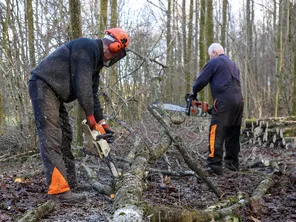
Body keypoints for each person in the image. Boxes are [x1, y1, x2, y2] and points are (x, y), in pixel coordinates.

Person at [28, 27, 130, 202]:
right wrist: (90, 118)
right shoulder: (87, 47)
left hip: (55, 92)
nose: (115, 58)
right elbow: (82, 85)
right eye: (117, 53)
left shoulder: (95, 63)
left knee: (65, 136)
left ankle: (69, 183)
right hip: (43, 85)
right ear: (114, 46)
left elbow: (92, 93)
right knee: (52, 136)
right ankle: (58, 192)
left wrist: (102, 123)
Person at [190, 43, 244, 175]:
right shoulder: (233, 64)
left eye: (210, 55)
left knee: (216, 132)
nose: (210, 58)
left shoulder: (214, 62)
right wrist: (212, 108)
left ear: (214, 53)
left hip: (224, 101)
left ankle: (214, 166)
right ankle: (232, 164)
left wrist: (193, 93)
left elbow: (201, 80)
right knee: (233, 132)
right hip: (238, 101)